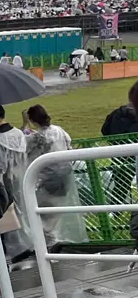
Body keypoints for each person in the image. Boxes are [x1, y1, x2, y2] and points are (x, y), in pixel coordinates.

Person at [24, 105, 87, 248]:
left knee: (34, 212)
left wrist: (24, 127)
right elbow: (68, 144)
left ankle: (49, 242)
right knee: (53, 212)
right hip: (65, 175)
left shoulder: (37, 137)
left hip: (48, 179)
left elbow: (24, 147)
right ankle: (52, 240)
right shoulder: (58, 130)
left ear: (33, 120)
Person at [0, 105, 35, 259]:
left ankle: (17, 248)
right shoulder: (18, 133)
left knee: (9, 215)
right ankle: (31, 243)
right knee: (25, 211)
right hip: (23, 177)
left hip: (7, 182)